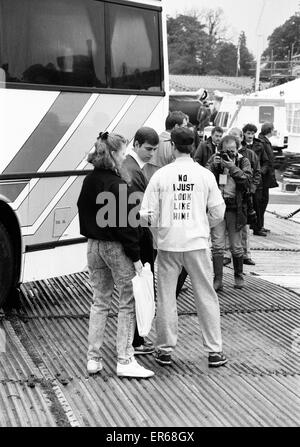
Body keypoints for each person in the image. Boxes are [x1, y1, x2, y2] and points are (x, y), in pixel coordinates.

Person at [141, 127, 228, 368]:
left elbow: (146, 214)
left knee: (167, 297)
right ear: (194, 145)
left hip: (169, 244)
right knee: (206, 296)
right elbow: (218, 212)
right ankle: (214, 351)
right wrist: (202, 224)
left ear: (172, 146)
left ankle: (165, 350)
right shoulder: (205, 175)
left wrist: (159, 230)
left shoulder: (161, 175)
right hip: (197, 242)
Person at [77, 131, 154, 378]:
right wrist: (136, 258)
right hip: (116, 248)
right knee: (127, 300)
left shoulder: (90, 180)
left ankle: (93, 358)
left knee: (99, 302)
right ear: (113, 154)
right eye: (122, 152)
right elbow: (125, 226)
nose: (125, 156)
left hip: (93, 246)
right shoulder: (118, 184)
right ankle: (125, 358)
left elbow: (89, 210)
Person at [123, 127, 159, 356]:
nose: (151, 154)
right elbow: (135, 213)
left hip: (135, 236)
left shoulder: (130, 166)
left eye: (155, 150)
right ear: (136, 144)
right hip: (139, 237)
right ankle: (136, 340)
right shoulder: (133, 171)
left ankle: (134, 338)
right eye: (148, 149)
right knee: (142, 289)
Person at [206, 135, 252, 291]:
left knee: (236, 246)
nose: (229, 154)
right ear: (220, 149)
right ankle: (217, 279)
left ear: (238, 148)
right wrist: (213, 165)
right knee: (217, 245)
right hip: (218, 207)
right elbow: (204, 178)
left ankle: (238, 276)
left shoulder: (243, 161)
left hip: (235, 208)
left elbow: (246, 182)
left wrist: (232, 167)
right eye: (226, 151)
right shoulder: (215, 159)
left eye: (232, 150)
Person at [223, 127, 261, 266]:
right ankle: (227, 254)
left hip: (244, 196)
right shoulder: (222, 155)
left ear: (241, 137)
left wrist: (251, 189)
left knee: (244, 228)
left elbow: (256, 173)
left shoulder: (248, 155)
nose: (235, 138)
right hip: (228, 197)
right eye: (232, 136)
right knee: (228, 230)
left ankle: (246, 254)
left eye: (237, 136)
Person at [143, 111, 188, 183]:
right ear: (176, 127)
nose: (186, 129)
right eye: (184, 126)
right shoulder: (174, 145)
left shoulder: (151, 141)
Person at [242, 124, 269, 237]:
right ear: (244, 133)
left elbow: (265, 162)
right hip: (244, 177)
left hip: (257, 179)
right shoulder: (241, 146)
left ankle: (258, 227)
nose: (250, 136)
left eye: (253, 133)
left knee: (258, 204)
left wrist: (260, 172)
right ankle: (245, 226)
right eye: (248, 133)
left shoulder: (259, 145)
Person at [258, 123, 278, 233]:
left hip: (265, 176)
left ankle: (260, 224)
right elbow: (266, 160)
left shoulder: (264, 141)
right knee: (262, 201)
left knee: (263, 201)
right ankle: (258, 225)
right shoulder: (263, 142)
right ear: (269, 130)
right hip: (264, 177)